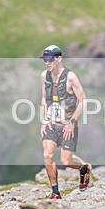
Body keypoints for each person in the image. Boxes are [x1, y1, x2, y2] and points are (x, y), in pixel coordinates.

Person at [39, 45, 92, 200]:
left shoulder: (71, 77)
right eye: (45, 60)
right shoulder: (44, 76)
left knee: (66, 161)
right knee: (47, 155)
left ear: (59, 59)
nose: (47, 63)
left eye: (50, 59)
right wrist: (44, 119)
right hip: (52, 124)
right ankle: (55, 192)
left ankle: (84, 168)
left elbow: (83, 101)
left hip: (68, 125)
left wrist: (72, 122)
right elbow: (44, 97)